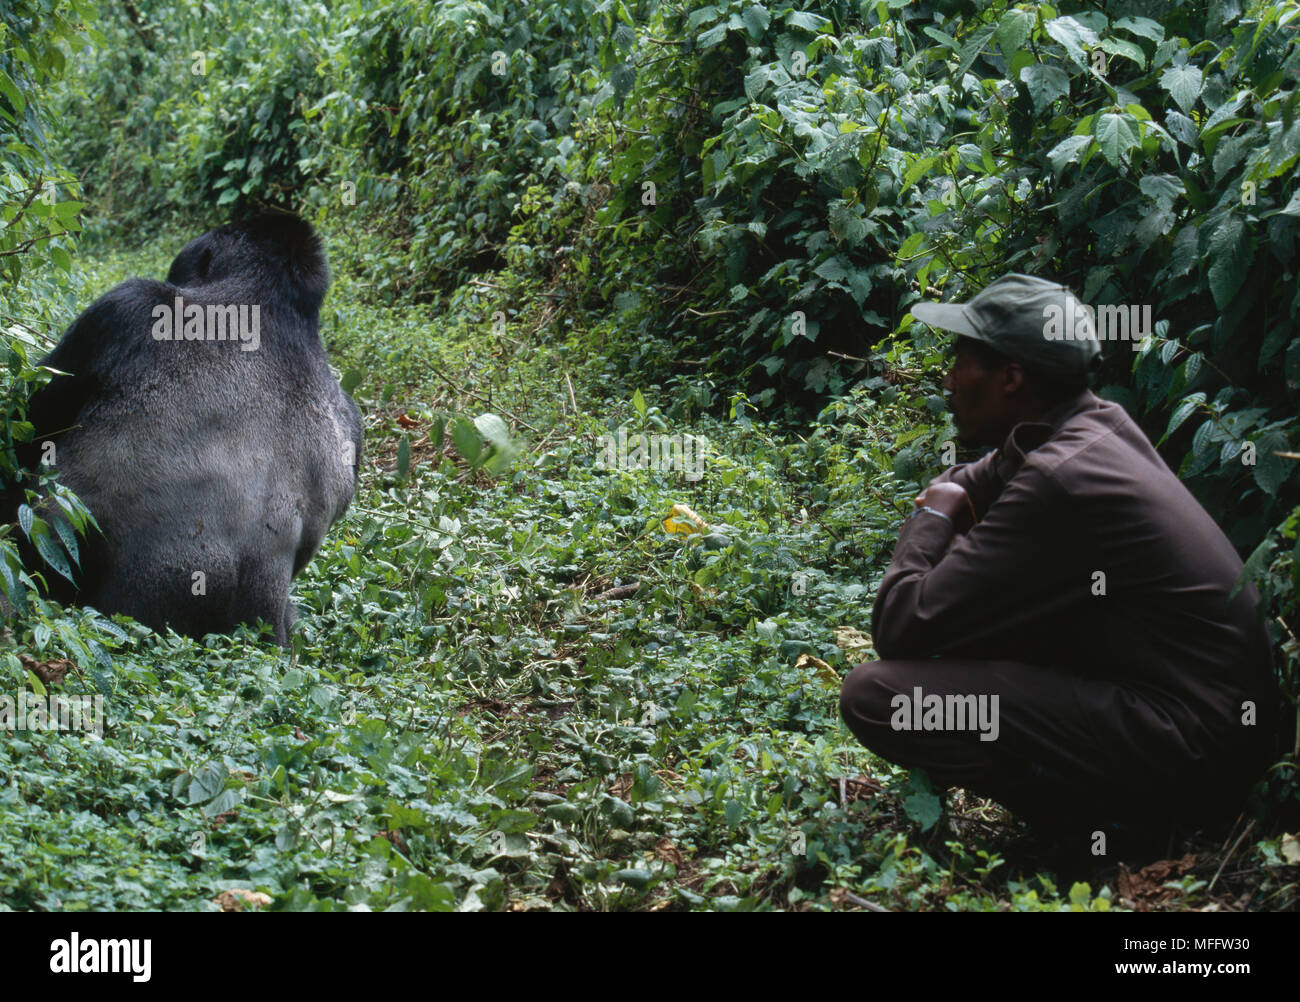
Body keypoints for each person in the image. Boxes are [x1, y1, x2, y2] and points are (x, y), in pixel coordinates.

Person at [839, 273, 1280, 870]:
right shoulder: (1095, 426)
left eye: (961, 361)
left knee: (880, 695)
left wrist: (930, 515)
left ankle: (1110, 829)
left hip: (1190, 742)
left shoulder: (1059, 478)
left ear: (1011, 377)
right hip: (1203, 720)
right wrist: (951, 493)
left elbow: (902, 623)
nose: (948, 379)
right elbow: (980, 476)